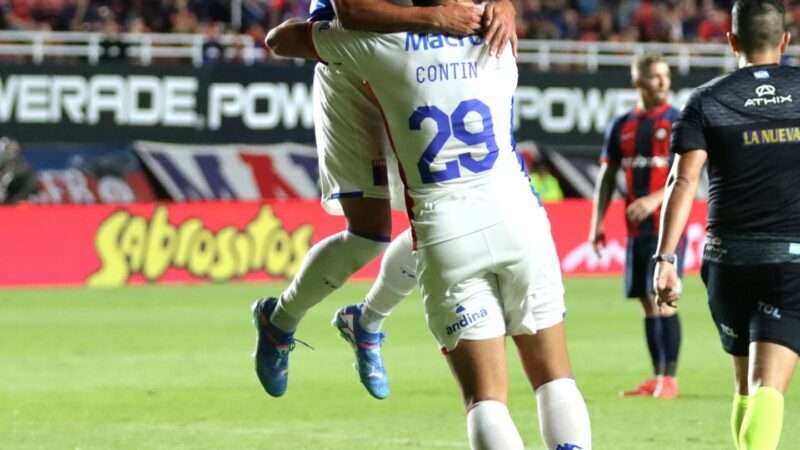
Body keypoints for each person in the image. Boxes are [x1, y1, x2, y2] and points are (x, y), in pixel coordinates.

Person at [265, 2, 592, 448]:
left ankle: (361, 319)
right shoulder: (495, 38)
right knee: (555, 379)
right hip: (520, 221)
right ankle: (344, 320)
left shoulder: (380, 46)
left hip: (445, 234)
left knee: (486, 399)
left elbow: (281, 40)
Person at [252, 0, 517, 400]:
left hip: (420, 59)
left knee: (443, 222)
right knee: (368, 234)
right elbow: (350, 14)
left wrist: (505, 5)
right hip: (348, 62)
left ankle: (367, 321)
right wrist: (434, 17)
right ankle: (280, 321)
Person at [655, 1, 799, 448]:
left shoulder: (706, 100)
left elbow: (683, 180)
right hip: (789, 258)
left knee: (743, 384)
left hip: (727, 259)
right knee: (768, 386)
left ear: (732, 41)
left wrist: (664, 258)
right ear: (785, 41)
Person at [588, 54, 684, 399]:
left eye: (665, 76)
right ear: (638, 82)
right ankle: (657, 376)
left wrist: (655, 200)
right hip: (635, 229)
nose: (663, 82)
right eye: (655, 77)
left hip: (666, 225)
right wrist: (596, 223)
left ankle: (669, 379)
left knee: (664, 299)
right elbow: (607, 175)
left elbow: (688, 176)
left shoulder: (678, 121)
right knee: (646, 300)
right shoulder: (621, 125)